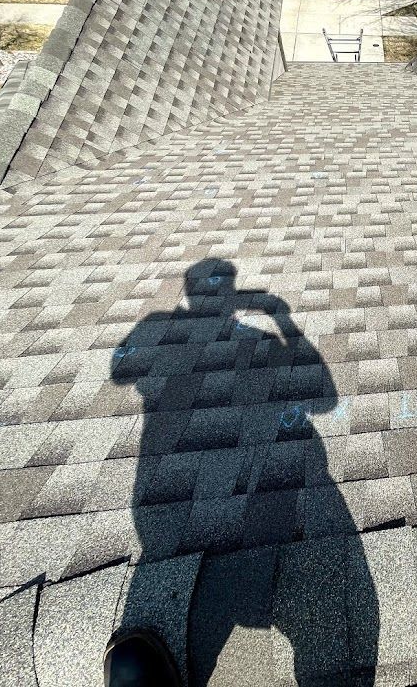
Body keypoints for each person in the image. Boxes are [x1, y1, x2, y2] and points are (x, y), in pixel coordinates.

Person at [105, 259, 378, 685]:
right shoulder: (210, 328)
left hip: (162, 479)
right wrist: (279, 316)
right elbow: (322, 398)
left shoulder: (159, 324)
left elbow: (121, 371)